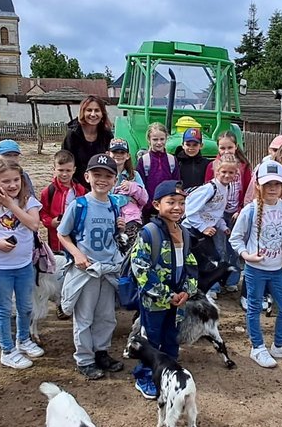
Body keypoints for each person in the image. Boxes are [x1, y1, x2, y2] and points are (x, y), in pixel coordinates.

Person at [230, 159, 282, 368]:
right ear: (258, 185)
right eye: (267, 184)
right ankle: (257, 347)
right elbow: (235, 238)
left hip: (277, 268)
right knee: (254, 307)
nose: (272, 188)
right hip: (256, 269)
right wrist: (246, 255)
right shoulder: (250, 210)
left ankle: (280, 344)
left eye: (276, 184)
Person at [0, 161, 45, 370]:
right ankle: (7, 350)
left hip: (24, 265)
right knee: (4, 309)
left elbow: (34, 224)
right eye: (6, 181)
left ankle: (23, 339)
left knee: (25, 307)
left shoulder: (29, 202)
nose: (12, 185)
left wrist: (12, 205)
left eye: (16, 180)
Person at [130, 180, 198, 399]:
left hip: (178, 301)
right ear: (157, 204)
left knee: (171, 337)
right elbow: (141, 268)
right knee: (151, 339)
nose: (177, 207)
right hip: (155, 301)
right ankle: (144, 376)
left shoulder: (184, 233)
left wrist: (188, 290)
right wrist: (166, 295)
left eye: (181, 203)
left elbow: (190, 263)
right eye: (171, 202)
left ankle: (168, 374)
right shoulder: (149, 233)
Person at [58, 155, 124, 380]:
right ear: (87, 177)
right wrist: (77, 254)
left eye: (108, 176)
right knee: (84, 317)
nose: (102, 180)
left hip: (108, 268)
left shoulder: (114, 205)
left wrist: (120, 227)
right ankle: (85, 359)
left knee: (106, 315)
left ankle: (101, 352)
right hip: (86, 269)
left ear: (115, 180)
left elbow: (111, 235)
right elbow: (63, 233)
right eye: (97, 175)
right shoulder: (79, 205)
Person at [184, 153, 239, 302]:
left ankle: (204, 289)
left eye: (231, 172)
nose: (227, 175)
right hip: (192, 229)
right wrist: (203, 227)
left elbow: (215, 212)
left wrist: (223, 226)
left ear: (236, 174)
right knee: (204, 261)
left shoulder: (225, 188)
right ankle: (201, 291)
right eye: (224, 172)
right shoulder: (210, 188)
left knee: (213, 259)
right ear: (217, 171)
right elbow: (190, 210)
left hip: (206, 230)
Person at [203, 131, 252, 293]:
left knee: (234, 247)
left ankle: (232, 280)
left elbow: (247, 190)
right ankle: (214, 283)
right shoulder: (212, 166)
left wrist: (241, 210)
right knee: (218, 248)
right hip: (217, 214)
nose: (226, 151)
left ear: (236, 146)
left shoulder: (243, 166)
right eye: (222, 148)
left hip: (236, 213)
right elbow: (208, 189)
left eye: (229, 147)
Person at [39, 150, 86, 254]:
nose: (64, 174)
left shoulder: (81, 190)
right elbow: (42, 213)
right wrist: (51, 222)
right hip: (56, 242)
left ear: (74, 170)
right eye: (60, 170)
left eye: (68, 170)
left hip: (78, 239)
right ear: (54, 169)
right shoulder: (48, 191)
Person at [62, 95, 114, 187]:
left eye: (97, 110)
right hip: (75, 186)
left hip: (100, 185)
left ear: (102, 113)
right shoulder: (72, 135)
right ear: (83, 112)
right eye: (89, 110)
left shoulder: (107, 135)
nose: (93, 114)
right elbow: (64, 163)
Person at [136, 122, 179, 219]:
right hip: (148, 210)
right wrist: (147, 204)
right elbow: (139, 185)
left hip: (167, 209)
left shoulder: (172, 160)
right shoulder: (144, 160)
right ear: (149, 140)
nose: (159, 143)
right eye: (155, 139)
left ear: (166, 139)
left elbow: (176, 184)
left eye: (162, 139)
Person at [108, 138, 149, 239]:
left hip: (131, 220)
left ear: (128, 156)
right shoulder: (104, 175)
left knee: (131, 247)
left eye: (122, 152)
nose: (118, 155)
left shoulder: (134, 175)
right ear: (108, 154)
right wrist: (127, 199)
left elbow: (144, 199)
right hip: (109, 219)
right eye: (115, 152)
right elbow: (105, 198)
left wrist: (132, 187)